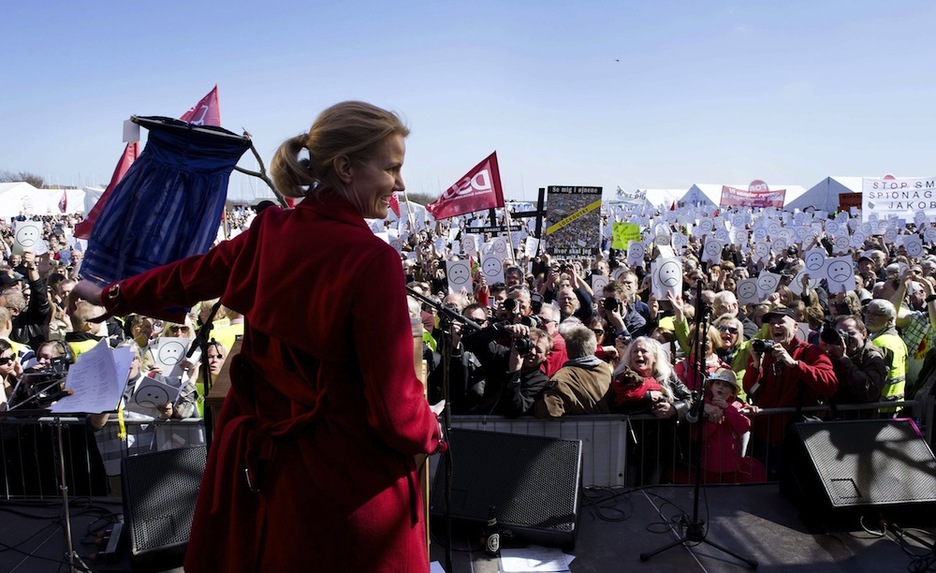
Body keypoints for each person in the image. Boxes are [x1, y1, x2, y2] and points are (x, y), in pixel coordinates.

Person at [70, 101, 445, 573]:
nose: (401, 184)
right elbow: (397, 413)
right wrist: (433, 433)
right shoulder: (373, 261)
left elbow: (189, 276)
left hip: (263, 480)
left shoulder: (270, 231)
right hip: (344, 494)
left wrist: (112, 293)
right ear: (346, 167)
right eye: (392, 168)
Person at [742, 306, 837, 479]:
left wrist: (795, 364)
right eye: (772, 324)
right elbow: (750, 388)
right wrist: (756, 364)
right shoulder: (765, 353)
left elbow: (830, 385)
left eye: (781, 322)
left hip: (794, 436)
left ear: (795, 326)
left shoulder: (810, 352)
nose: (775, 327)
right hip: (764, 436)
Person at [534, 323, 613, 418]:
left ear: (567, 349)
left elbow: (549, 410)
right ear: (595, 347)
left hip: (577, 431)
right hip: (610, 430)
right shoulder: (607, 370)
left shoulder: (562, 378)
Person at [819, 315, 886, 418]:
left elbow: (869, 391)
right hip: (836, 421)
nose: (845, 337)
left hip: (862, 423)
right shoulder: (833, 355)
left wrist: (843, 360)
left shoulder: (873, 358)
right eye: (839, 334)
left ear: (863, 334)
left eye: (851, 333)